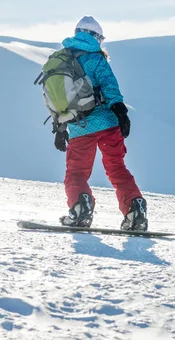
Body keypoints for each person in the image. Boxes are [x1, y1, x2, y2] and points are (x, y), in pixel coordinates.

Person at [55, 16, 148, 231]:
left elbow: (57, 96)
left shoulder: (62, 59)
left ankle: (80, 209)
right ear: (96, 36)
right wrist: (121, 112)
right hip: (108, 123)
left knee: (76, 171)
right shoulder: (97, 59)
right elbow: (109, 86)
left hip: (80, 126)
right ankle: (135, 210)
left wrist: (59, 128)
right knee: (117, 168)